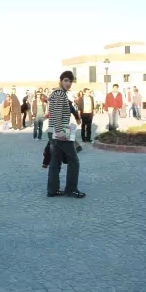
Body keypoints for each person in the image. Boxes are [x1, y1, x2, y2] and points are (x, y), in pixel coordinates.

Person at [47, 71, 85, 199]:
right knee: (74, 160)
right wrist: (60, 131)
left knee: (55, 161)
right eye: (66, 80)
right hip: (60, 132)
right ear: (61, 80)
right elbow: (57, 114)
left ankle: (53, 190)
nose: (68, 83)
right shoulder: (60, 94)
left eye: (70, 81)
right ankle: (71, 189)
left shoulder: (58, 94)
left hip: (54, 131)